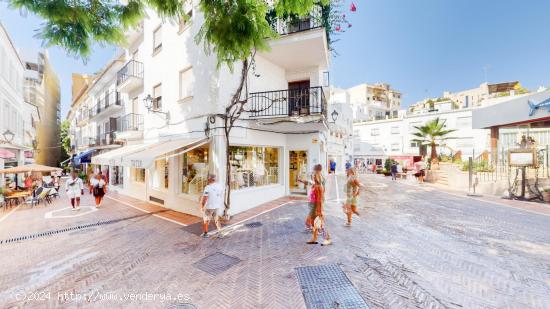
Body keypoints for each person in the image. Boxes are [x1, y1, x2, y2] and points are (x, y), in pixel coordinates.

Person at [307, 168, 331, 246]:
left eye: (313, 175)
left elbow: (320, 200)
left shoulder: (318, 187)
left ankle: (327, 239)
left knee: (320, 225)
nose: (312, 176)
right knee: (314, 224)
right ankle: (314, 238)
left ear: (316, 177)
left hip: (317, 208)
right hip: (313, 207)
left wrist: (319, 210)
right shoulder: (315, 185)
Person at [299, 164, 325, 231]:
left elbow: (309, 183)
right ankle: (315, 227)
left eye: (314, 170)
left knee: (314, 213)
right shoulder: (318, 179)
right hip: (314, 200)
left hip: (315, 200)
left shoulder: (318, 181)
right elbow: (309, 182)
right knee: (315, 213)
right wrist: (301, 180)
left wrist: (301, 180)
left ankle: (311, 225)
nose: (313, 174)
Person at [199, 174, 224, 238]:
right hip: (216, 206)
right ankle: (220, 233)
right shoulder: (220, 186)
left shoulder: (208, 187)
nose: (207, 180)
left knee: (206, 220)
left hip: (209, 206)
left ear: (210, 179)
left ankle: (205, 233)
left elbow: (205, 198)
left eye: (208, 178)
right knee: (216, 219)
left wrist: (202, 206)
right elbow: (220, 195)